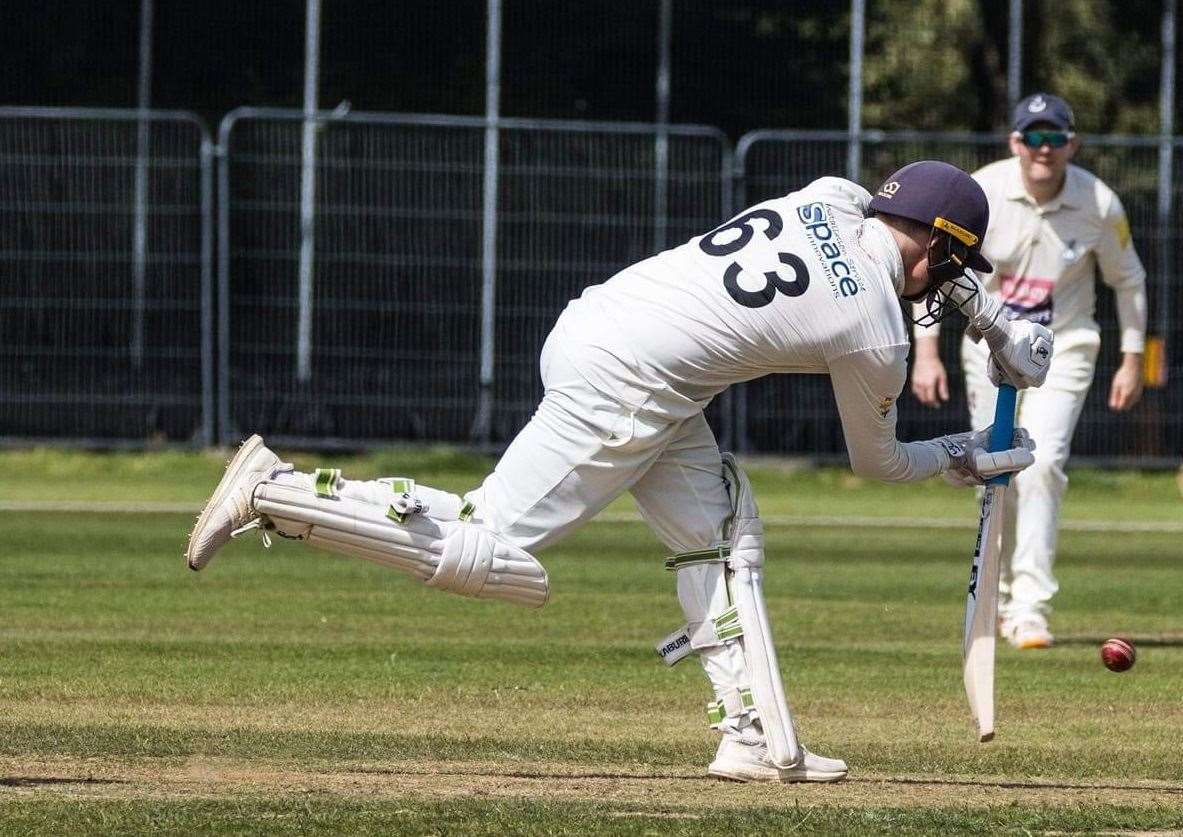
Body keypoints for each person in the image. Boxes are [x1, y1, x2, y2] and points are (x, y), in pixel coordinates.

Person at [186, 161, 1052, 783]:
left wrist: (991, 321)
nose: (948, 284)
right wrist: (968, 453)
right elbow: (878, 461)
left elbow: (869, 206)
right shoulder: (877, 330)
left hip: (606, 329)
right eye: (952, 264)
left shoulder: (825, 197)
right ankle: (278, 491)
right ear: (936, 247)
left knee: (721, 537)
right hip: (633, 386)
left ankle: (751, 736)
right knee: (496, 554)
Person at [910, 94, 1148, 650]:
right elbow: (936, 266)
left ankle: (1031, 607)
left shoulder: (1099, 202)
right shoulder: (982, 192)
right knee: (994, 467)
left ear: (1072, 143)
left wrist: (1133, 358)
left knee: (1042, 463)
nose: (1044, 149)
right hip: (987, 342)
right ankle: (993, 593)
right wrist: (925, 351)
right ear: (1016, 142)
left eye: (1055, 138)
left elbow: (1128, 280)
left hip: (1064, 345)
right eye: (1033, 138)